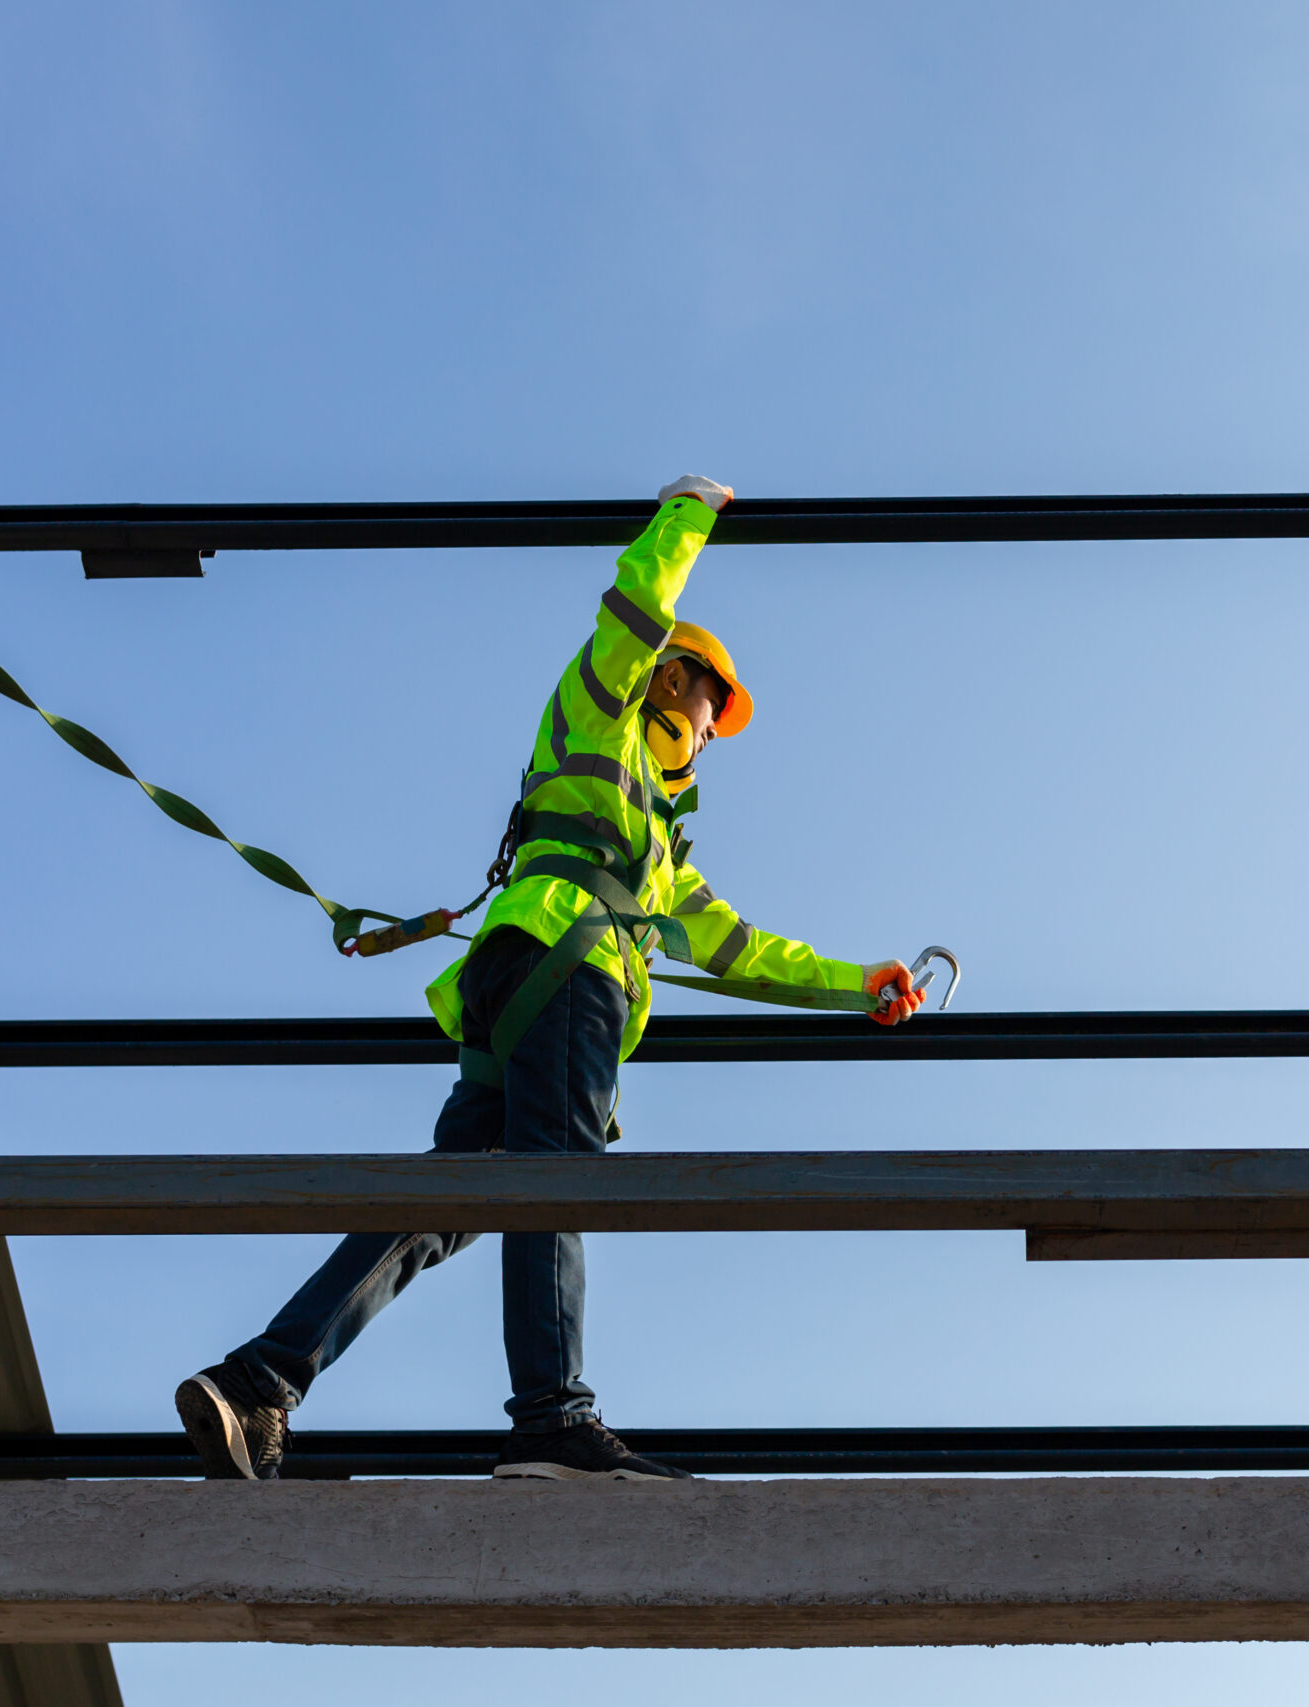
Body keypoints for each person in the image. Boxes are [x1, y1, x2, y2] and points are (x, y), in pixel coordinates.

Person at [174, 474, 927, 1482]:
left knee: (451, 1201)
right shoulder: (602, 706)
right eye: (712, 700)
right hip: (563, 976)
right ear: (670, 680)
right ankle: (552, 1423)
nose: (713, 729)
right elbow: (633, 606)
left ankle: (261, 1379)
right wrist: (689, 515)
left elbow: (739, 949)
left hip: (516, 974)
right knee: (556, 1177)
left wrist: (858, 982)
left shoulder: (654, 841)